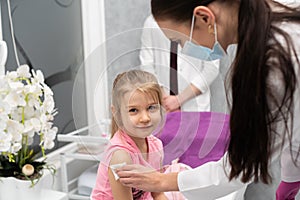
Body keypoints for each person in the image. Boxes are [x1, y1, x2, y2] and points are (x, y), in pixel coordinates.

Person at [116, 0, 300, 199]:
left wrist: (160, 181)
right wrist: (292, 173)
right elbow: (294, 119)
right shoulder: (275, 21)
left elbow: (240, 168)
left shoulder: (275, 61)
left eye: (179, 40)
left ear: (204, 18)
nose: (183, 49)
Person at [90, 70, 167, 199]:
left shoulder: (156, 146)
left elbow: (158, 193)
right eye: (134, 110)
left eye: (151, 107)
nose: (145, 118)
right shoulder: (121, 157)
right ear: (117, 113)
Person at [140, 15, 220, 112]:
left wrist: (179, 100)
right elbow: (146, 63)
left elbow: (212, 69)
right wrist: (162, 96)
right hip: (162, 106)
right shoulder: (152, 22)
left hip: (195, 107)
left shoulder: (205, 22)